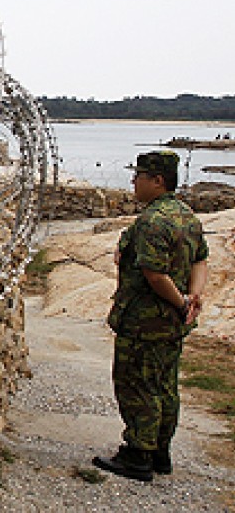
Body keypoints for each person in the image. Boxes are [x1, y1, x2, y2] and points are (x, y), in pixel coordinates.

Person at [93, 151, 209, 482]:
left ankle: (137, 455)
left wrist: (179, 300)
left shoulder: (154, 222)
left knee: (137, 385)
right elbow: (201, 259)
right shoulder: (186, 216)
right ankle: (160, 451)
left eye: (139, 176)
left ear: (157, 181)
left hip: (145, 321)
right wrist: (193, 298)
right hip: (173, 323)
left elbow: (155, 275)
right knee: (165, 385)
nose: (133, 181)